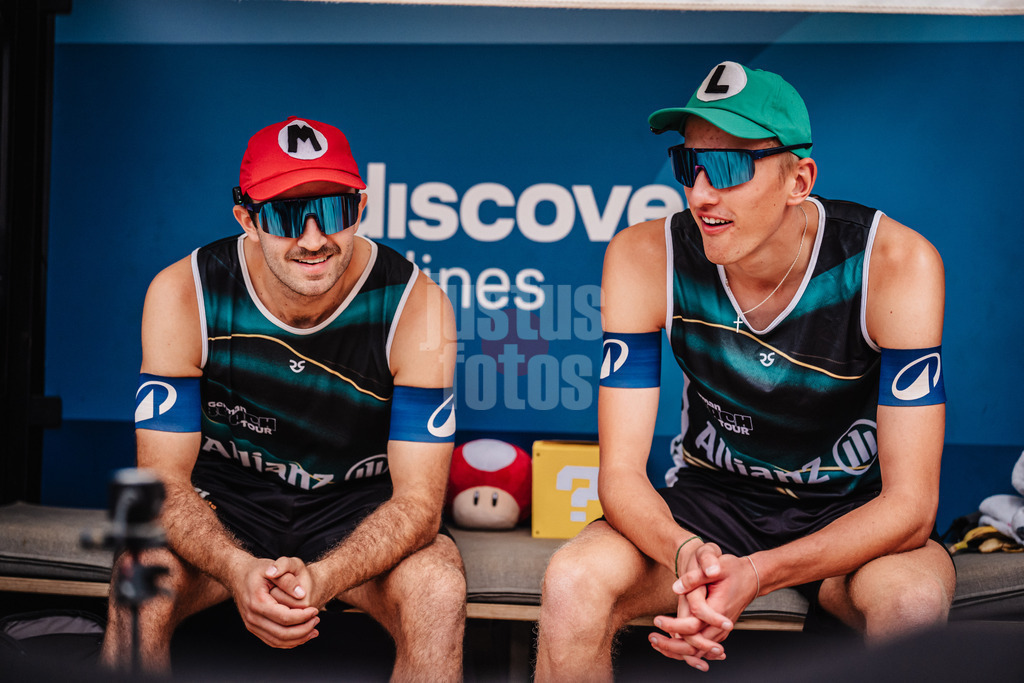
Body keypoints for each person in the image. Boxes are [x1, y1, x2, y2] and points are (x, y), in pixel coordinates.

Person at [535, 61, 954, 678]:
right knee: (573, 582)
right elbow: (619, 475)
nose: (702, 194)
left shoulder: (893, 262)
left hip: (850, 514)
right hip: (712, 504)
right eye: (689, 165)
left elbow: (912, 506)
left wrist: (758, 573)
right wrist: (686, 554)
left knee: (911, 603)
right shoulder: (644, 255)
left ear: (798, 180)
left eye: (730, 167)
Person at [101, 116, 465, 679]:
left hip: (356, 514)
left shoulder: (417, 304)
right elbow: (162, 484)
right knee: (139, 572)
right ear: (247, 219)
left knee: (437, 585)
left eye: (334, 211)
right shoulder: (184, 291)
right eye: (286, 215)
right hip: (227, 508)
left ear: (361, 208)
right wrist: (236, 568)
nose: (314, 239)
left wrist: (323, 578)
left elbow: (419, 506)